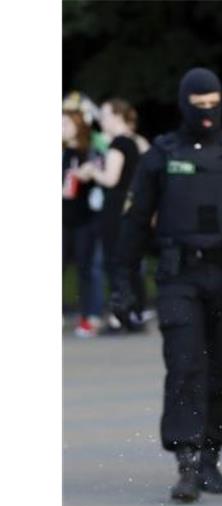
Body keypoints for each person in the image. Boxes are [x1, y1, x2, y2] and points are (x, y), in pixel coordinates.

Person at [113, 67, 222, 502]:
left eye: (212, 103)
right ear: (184, 104)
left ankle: (212, 459)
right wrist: (123, 283)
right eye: (197, 104)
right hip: (179, 277)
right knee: (185, 367)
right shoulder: (162, 154)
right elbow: (135, 221)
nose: (206, 112)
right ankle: (187, 460)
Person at [81, 99, 150, 333]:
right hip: (132, 208)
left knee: (116, 263)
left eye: (105, 115)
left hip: (115, 209)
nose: (101, 120)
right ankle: (134, 314)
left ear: (117, 117)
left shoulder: (118, 144)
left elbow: (110, 179)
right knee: (130, 263)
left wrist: (92, 171)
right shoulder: (134, 142)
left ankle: (121, 316)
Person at [63, 108, 103, 338]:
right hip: (62, 220)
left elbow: (95, 176)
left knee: (87, 269)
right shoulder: (61, 151)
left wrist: (87, 173)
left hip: (84, 219)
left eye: (65, 124)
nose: (61, 128)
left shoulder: (88, 151)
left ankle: (91, 316)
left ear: (77, 126)